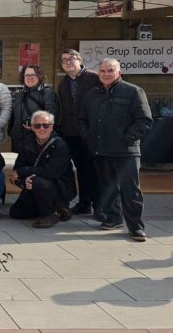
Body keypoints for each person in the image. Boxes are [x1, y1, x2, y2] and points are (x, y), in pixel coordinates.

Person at [78, 58, 153, 242]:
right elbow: (81, 120)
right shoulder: (91, 95)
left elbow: (145, 121)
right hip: (101, 151)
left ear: (119, 72)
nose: (106, 74)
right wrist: (88, 136)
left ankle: (136, 227)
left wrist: (126, 138)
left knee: (131, 190)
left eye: (110, 70)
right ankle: (113, 219)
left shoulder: (133, 91)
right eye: (102, 71)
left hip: (126, 151)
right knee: (108, 189)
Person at [10, 110, 76, 228]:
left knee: (37, 180)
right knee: (16, 213)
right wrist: (24, 180)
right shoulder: (28, 143)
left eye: (46, 125)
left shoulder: (60, 145)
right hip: (36, 186)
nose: (42, 128)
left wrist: (24, 171)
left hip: (59, 188)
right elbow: (18, 166)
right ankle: (58, 210)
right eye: (37, 125)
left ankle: (49, 215)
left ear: (51, 127)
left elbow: (50, 172)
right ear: (33, 128)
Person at [58, 49, 101, 217]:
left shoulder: (94, 78)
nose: (67, 62)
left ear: (80, 60)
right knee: (81, 169)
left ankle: (99, 206)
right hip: (70, 133)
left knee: (93, 170)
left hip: (90, 133)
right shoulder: (63, 83)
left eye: (71, 59)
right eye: (64, 60)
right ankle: (84, 203)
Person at [10, 64, 59, 154]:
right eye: (27, 75)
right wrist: (11, 131)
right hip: (18, 140)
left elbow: (51, 116)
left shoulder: (47, 93)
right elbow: (13, 115)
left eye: (33, 75)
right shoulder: (20, 94)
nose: (30, 77)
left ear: (39, 76)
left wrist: (35, 125)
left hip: (37, 139)